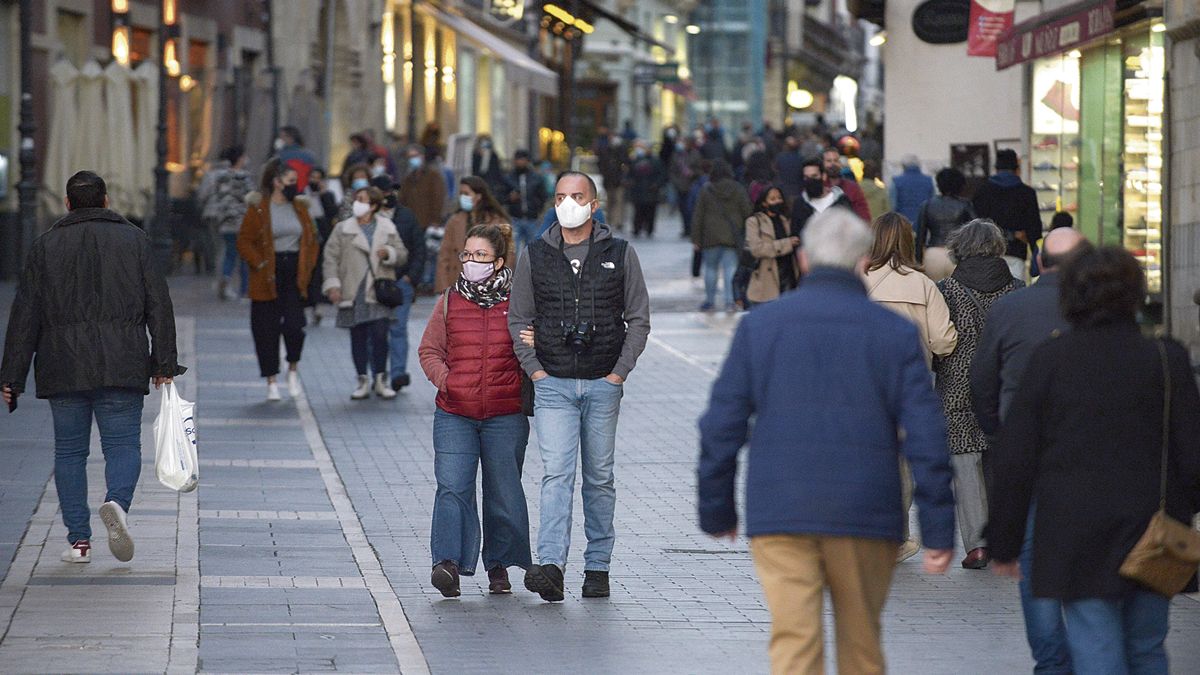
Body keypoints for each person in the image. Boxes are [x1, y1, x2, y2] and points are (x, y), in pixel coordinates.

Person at [698, 207, 956, 675]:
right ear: (861, 261)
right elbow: (925, 432)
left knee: (794, 642)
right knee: (861, 644)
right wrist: (939, 527)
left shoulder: (761, 327)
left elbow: (722, 423)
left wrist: (717, 508)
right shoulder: (894, 334)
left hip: (781, 510)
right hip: (866, 512)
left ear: (804, 261)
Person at [987, 246, 1200, 674]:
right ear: (1136, 295)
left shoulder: (1052, 359)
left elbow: (1016, 456)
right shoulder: (1166, 358)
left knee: (1096, 648)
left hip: (1075, 532)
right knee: (1147, 647)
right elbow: (1191, 452)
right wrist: (1181, 509)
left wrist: (1004, 542)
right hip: (1152, 528)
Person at [1, 171, 185, 564]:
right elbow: (159, 304)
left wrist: (12, 377)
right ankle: (116, 502)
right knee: (122, 445)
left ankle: (78, 542)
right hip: (123, 360)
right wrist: (164, 362)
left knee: (69, 452)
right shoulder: (135, 240)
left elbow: (25, 315)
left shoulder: (45, 245)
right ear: (106, 201)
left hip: (62, 363)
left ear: (67, 204)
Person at [508, 171, 651, 602]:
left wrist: (618, 373)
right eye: (560, 196)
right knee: (556, 474)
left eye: (577, 195)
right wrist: (535, 371)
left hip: (603, 382)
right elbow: (518, 319)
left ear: (594, 202)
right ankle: (550, 565)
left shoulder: (620, 253)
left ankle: (597, 567)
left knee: (599, 477)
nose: (568, 203)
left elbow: (638, 318)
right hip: (552, 384)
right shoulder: (534, 254)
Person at [968, 227, 1088, 674]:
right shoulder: (1103, 309)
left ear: (1039, 263)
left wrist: (998, 433)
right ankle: (1089, 649)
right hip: (1091, 451)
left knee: (1032, 556)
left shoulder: (1009, 307)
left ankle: (1051, 660)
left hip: (1027, 449)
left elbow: (981, 379)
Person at [418, 222, 532, 597]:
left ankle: (499, 566)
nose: (470, 261)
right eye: (467, 254)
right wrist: (446, 381)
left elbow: (533, 353)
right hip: (455, 413)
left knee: (503, 491)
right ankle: (447, 563)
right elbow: (429, 350)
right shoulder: (450, 300)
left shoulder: (519, 303)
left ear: (499, 262)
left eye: (480, 256)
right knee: (452, 486)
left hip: (504, 415)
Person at [864, 212, 959, 562]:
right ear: (908, 241)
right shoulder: (922, 285)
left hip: (863, 385)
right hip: (910, 386)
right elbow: (944, 342)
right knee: (902, 463)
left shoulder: (858, 280)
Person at [933, 219, 1023, 569]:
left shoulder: (947, 289)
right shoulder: (1017, 288)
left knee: (965, 461)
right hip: (1002, 382)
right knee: (999, 461)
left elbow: (940, 339)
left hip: (957, 383)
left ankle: (977, 545)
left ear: (960, 248)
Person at [237, 159, 320, 401]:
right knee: (265, 329)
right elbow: (244, 240)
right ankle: (271, 380)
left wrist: (308, 265)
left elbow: (312, 239)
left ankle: (292, 369)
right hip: (267, 274)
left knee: (295, 326)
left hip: (295, 273)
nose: (295, 186)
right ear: (277, 182)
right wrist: (259, 262)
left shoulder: (301, 208)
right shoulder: (259, 208)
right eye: (291, 181)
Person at [321, 186, 406, 400]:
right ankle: (362, 379)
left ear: (374, 205)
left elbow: (403, 254)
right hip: (353, 289)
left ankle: (380, 378)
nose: (357, 203)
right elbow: (330, 258)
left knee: (380, 334)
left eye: (362, 200)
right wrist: (333, 285)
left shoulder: (387, 227)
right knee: (357, 335)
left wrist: (389, 253)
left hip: (378, 290)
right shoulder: (342, 229)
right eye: (356, 199)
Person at [380, 183, 425, 393]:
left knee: (397, 328)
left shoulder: (407, 217)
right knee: (376, 331)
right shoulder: (370, 218)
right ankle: (377, 373)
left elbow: (419, 248)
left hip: (401, 282)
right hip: (376, 282)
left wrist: (411, 277)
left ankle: (397, 373)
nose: (387, 196)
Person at [972, 149, 1042, 281]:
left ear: (996, 168)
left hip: (988, 254)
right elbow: (1034, 228)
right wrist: (1035, 256)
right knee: (1015, 296)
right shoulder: (1027, 193)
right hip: (1016, 252)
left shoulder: (982, 191)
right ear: (1017, 169)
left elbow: (975, 225)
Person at [691, 160, 752, 312]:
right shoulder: (738, 189)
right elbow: (747, 211)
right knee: (730, 269)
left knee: (710, 269)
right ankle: (730, 301)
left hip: (710, 236)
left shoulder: (706, 190)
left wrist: (696, 239)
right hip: (732, 236)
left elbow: (698, 215)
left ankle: (710, 301)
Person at [435, 176, 510, 294]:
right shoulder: (455, 221)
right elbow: (445, 255)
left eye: (466, 193)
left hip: (489, 287)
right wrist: (444, 288)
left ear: (479, 196)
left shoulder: (497, 221)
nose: (462, 197)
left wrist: (500, 285)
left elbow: (508, 255)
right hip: (457, 285)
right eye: (460, 193)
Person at [197, 145, 254, 300]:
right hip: (240, 219)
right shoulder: (244, 176)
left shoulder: (214, 175)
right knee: (243, 254)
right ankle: (244, 291)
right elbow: (251, 198)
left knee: (226, 251)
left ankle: (225, 278)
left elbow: (203, 194)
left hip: (220, 219)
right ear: (240, 158)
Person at [915, 167, 976, 282]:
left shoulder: (927, 205)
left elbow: (920, 237)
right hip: (957, 255)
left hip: (932, 255)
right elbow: (976, 231)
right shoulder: (965, 205)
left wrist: (918, 261)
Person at [743, 185, 800, 306]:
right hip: (766, 278)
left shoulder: (785, 220)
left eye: (779, 198)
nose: (777, 201)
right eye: (772, 199)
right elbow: (757, 249)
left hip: (788, 275)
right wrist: (786, 244)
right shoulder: (754, 221)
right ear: (764, 202)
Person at [790, 157, 850, 233]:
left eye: (814, 176)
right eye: (806, 177)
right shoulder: (800, 204)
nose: (810, 181)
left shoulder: (841, 202)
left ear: (823, 176)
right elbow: (796, 234)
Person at [504, 149, 548, 251]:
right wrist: (509, 198)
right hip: (515, 218)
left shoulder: (536, 178)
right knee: (513, 250)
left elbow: (543, 196)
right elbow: (501, 196)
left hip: (532, 219)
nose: (520, 162)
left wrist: (538, 208)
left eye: (522, 159)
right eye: (518, 159)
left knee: (532, 250)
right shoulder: (508, 178)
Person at [398, 144, 448, 232]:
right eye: (409, 157)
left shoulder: (433, 176)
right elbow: (403, 200)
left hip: (428, 223)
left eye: (414, 156)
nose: (412, 159)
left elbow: (438, 199)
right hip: (411, 224)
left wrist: (435, 221)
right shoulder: (408, 179)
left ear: (422, 156)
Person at [626, 140, 667, 238]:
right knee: (638, 211)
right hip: (638, 191)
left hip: (651, 191)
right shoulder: (635, 160)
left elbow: (662, 175)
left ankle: (649, 229)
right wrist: (629, 182)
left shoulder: (656, 161)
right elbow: (630, 174)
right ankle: (637, 228)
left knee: (650, 212)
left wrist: (656, 184)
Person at [822, 147, 871, 222]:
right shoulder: (819, 187)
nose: (833, 164)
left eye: (836, 160)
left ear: (840, 164)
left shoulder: (853, 188)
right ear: (823, 164)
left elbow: (864, 216)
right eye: (829, 161)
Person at [594, 127, 627, 231]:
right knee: (609, 201)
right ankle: (610, 221)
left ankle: (618, 221)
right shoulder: (605, 149)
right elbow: (601, 163)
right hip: (608, 180)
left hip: (619, 180)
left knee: (619, 201)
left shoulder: (622, 149)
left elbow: (625, 163)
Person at [889, 154, 934, 224]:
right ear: (919, 165)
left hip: (903, 221)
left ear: (903, 166)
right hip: (923, 221)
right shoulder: (929, 180)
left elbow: (893, 205)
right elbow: (932, 203)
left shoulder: (896, 181)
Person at [274, 125, 318, 191]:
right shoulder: (310, 155)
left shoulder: (280, 156)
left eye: (282, 137)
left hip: (285, 191)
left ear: (291, 138)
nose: (280, 139)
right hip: (305, 191)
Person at [774, 134, 804, 202]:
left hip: (784, 192)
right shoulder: (801, 158)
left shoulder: (780, 158)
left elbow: (775, 172)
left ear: (785, 146)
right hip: (798, 192)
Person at [860, 160, 891, 224]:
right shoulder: (881, 191)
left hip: (860, 226)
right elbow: (888, 211)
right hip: (877, 226)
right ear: (876, 175)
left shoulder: (855, 189)